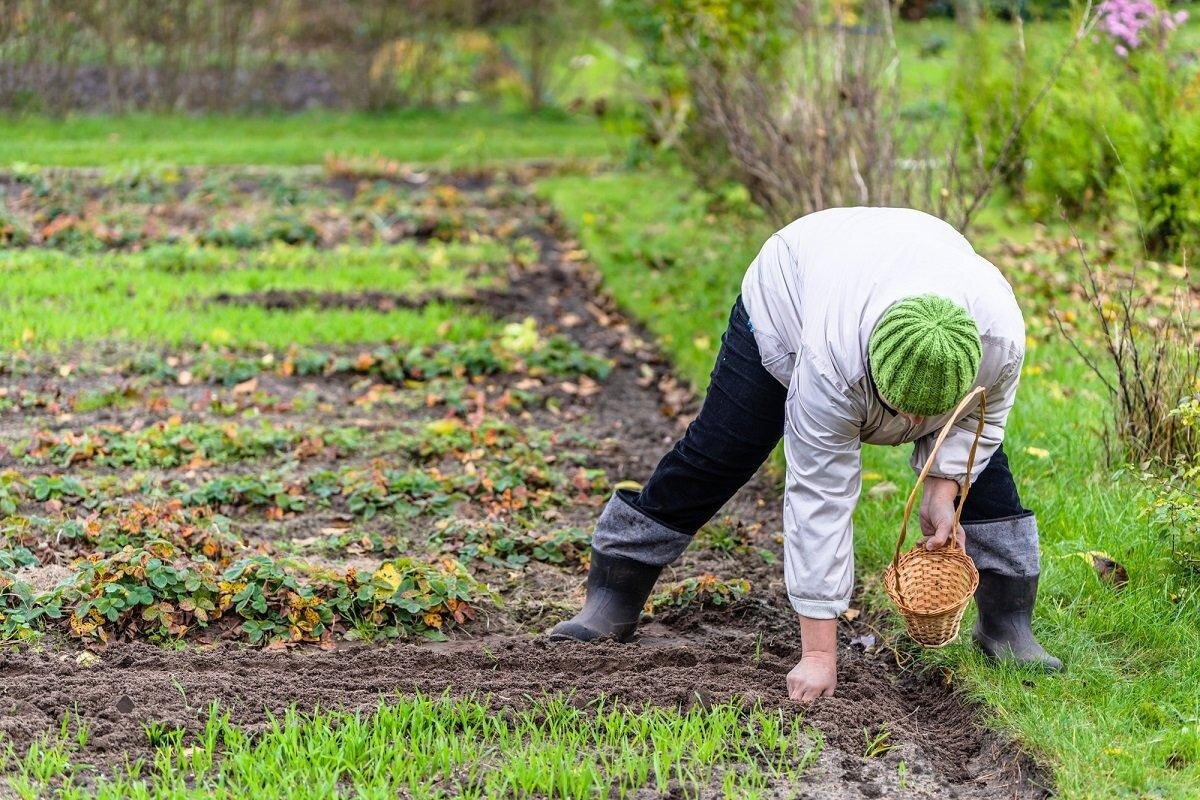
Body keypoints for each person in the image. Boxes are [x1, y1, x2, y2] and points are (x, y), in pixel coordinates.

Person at [549, 206, 1063, 701]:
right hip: (794, 288)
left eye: (923, 418)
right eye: (900, 411)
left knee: (985, 470)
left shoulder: (998, 337)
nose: (910, 429)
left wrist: (944, 484)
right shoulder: (829, 359)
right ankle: (618, 581)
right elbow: (821, 497)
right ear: (870, 373)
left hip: (903, 258)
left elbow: (981, 419)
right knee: (724, 449)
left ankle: (1006, 624)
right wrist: (819, 654)